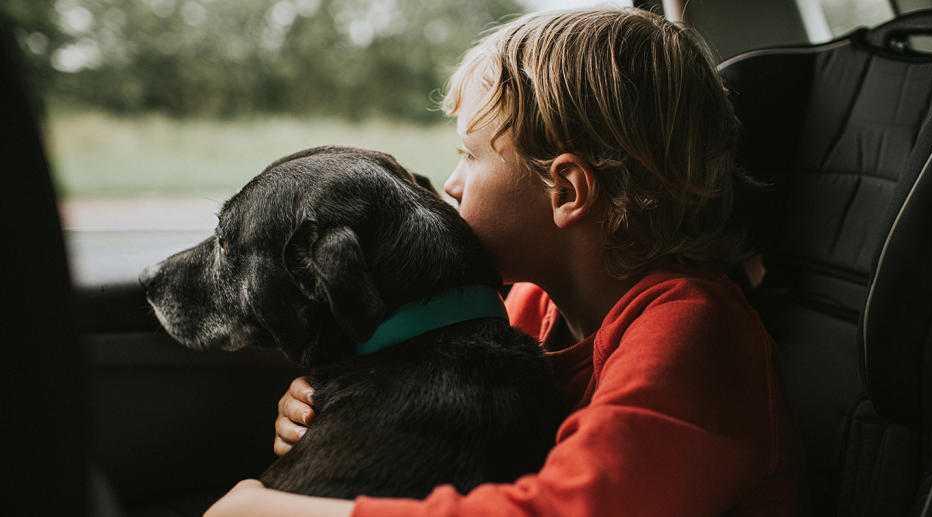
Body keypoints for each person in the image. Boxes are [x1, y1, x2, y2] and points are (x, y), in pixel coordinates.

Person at [205, 7, 798, 517]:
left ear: (567, 190)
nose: (452, 184)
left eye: (469, 154)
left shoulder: (692, 329)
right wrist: (330, 406)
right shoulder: (534, 301)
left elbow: (571, 511)